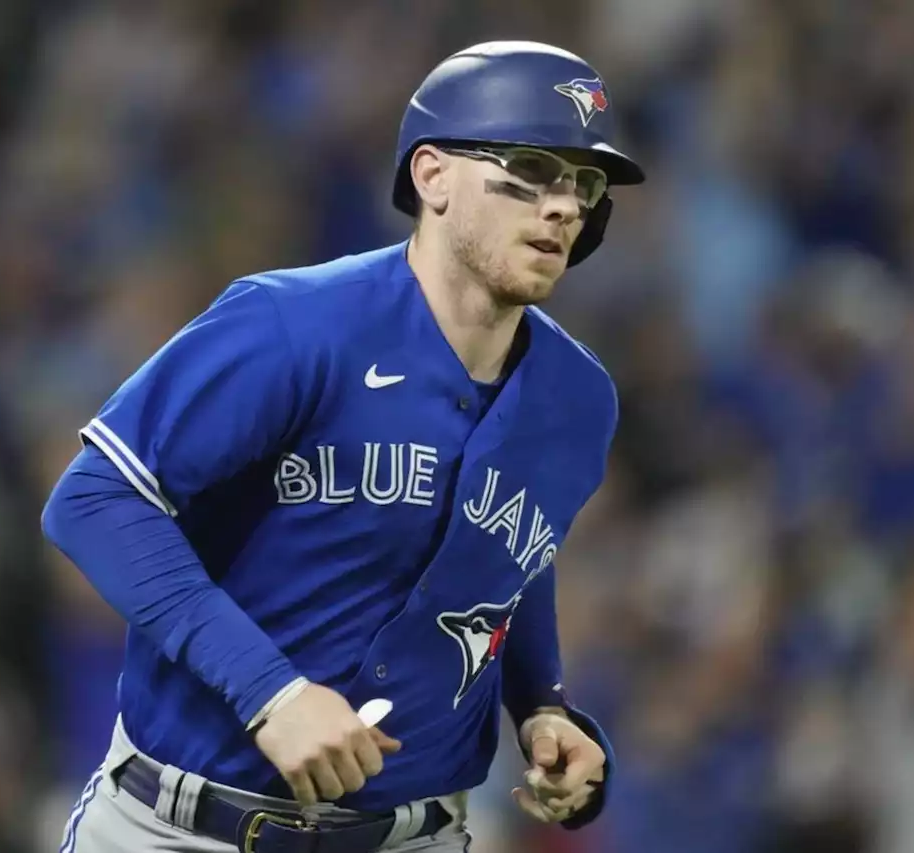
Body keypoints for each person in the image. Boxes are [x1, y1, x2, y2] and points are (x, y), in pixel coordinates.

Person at [41, 40, 646, 853]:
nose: (565, 204)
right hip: (186, 827)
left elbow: (513, 548)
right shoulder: (292, 326)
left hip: (413, 837)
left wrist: (541, 702)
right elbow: (93, 500)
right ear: (431, 175)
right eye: (533, 167)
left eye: (584, 182)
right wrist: (271, 692)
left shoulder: (579, 397)